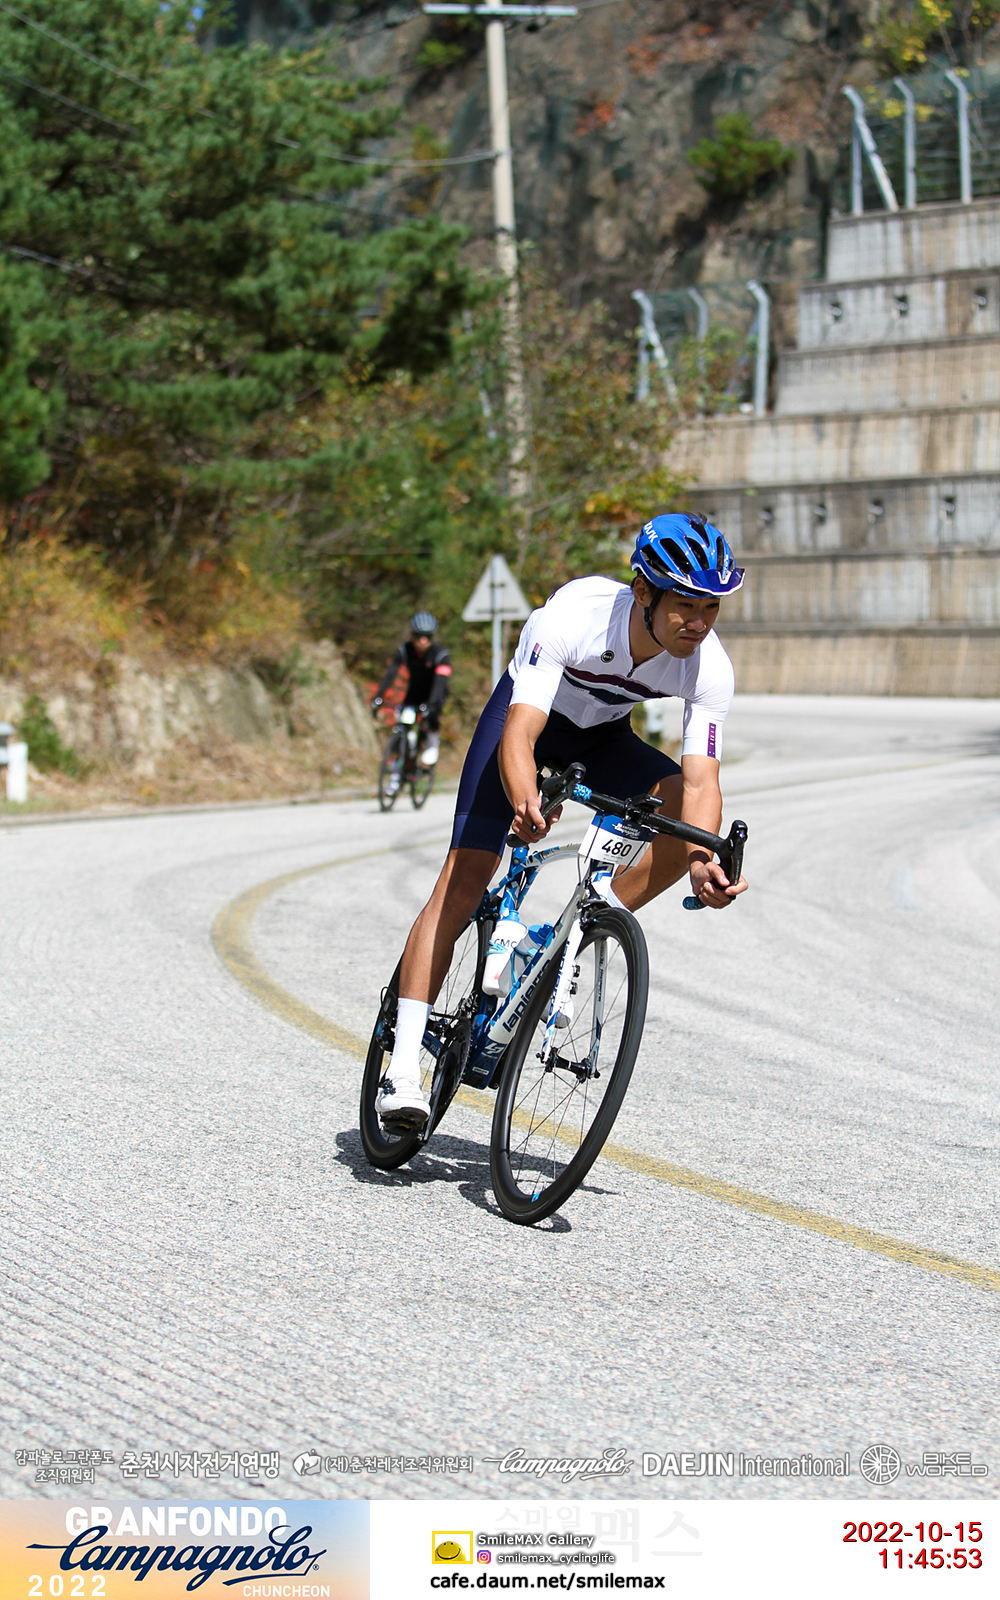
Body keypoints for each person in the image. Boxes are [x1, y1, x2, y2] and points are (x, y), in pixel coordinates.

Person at [376, 514, 750, 1123]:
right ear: (644, 591)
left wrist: (702, 858)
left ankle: (582, 928)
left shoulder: (709, 665)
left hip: (603, 738)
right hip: (526, 722)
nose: (699, 622)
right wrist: (526, 799)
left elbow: (702, 782)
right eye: (685, 604)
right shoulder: (574, 617)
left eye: (711, 606)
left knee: (685, 815)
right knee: (465, 878)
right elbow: (521, 733)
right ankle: (400, 1067)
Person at [370, 611, 452, 765]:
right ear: (412, 635)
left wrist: (431, 705)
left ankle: (432, 742)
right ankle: (404, 751)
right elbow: (390, 674)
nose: (422, 641)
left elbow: (440, 684)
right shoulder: (405, 650)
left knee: (432, 716)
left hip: (435, 693)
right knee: (404, 719)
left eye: (427, 637)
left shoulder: (441, 655)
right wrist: (379, 696)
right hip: (415, 691)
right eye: (418, 636)